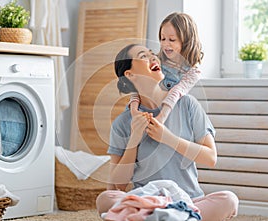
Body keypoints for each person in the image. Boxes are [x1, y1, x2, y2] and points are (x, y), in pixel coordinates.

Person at [96, 43, 239, 221]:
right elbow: (118, 185)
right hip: (147, 200)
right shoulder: (123, 123)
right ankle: (175, 216)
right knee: (105, 199)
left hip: (188, 200)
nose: (153, 57)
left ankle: (167, 215)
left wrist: (168, 138)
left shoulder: (188, 105)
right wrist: (134, 139)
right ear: (129, 74)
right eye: (143, 56)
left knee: (228, 200)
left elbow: (210, 157)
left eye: (152, 54)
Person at [129, 12, 202, 124]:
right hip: (143, 111)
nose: (165, 44)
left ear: (187, 41)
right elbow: (138, 85)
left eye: (172, 40)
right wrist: (134, 110)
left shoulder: (192, 72)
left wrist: (161, 118)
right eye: (163, 39)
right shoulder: (155, 61)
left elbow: (176, 92)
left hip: (169, 116)